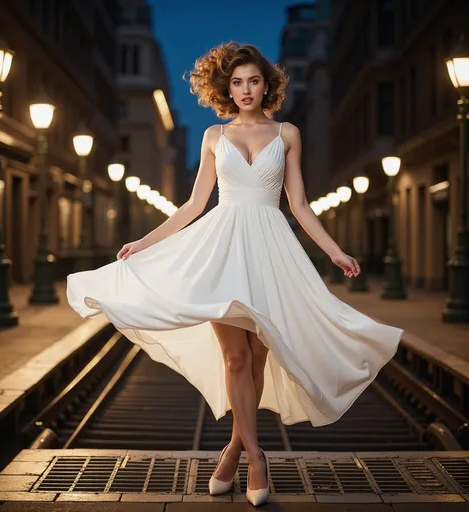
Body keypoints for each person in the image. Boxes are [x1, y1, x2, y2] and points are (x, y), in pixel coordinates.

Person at [66, 41, 404, 507]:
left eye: (254, 80)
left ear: (268, 85)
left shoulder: (288, 133)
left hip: (272, 254)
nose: (246, 89)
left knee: (260, 357)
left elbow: (299, 205)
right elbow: (192, 205)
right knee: (237, 359)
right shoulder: (212, 136)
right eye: (238, 82)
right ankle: (257, 457)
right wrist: (144, 243)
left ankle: (232, 448)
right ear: (227, 87)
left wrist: (335, 251)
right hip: (223, 252)